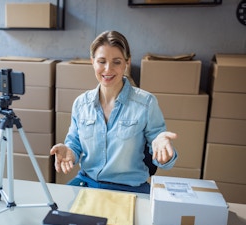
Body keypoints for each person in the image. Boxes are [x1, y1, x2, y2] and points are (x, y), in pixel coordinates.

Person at [50, 30, 178, 194]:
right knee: (53, 212)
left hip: (129, 189)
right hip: (87, 183)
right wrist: (69, 151)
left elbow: (161, 153)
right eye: (101, 61)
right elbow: (74, 144)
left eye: (116, 62)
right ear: (93, 62)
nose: (108, 69)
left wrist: (164, 153)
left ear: (127, 63)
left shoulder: (146, 104)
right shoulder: (81, 104)